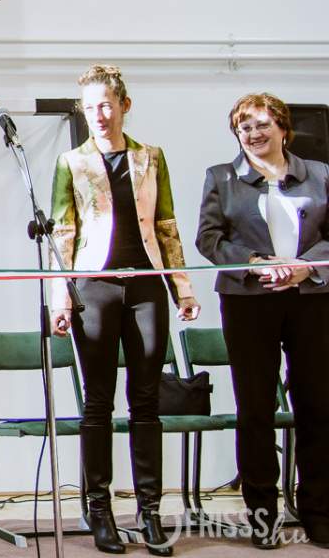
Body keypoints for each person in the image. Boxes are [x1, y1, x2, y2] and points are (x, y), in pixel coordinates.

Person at [49, 65, 200, 556]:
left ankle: (150, 512)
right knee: (98, 402)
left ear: (124, 105)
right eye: (90, 107)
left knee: (146, 401)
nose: (99, 114)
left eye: (106, 105)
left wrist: (182, 290)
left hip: (146, 285)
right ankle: (100, 510)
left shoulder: (150, 157)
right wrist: (60, 298)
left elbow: (168, 224)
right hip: (94, 287)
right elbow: (62, 233)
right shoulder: (71, 162)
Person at [195, 92, 329, 550]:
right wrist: (253, 263)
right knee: (255, 409)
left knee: (318, 406)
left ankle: (318, 513)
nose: (252, 134)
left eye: (261, 125)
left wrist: (306, 266)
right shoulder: (221, 177)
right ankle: (262, 516)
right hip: (249, 301)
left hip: (312, 298)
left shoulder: (321, 174)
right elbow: (209, 239)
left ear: (283, 129)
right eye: (244, 128)